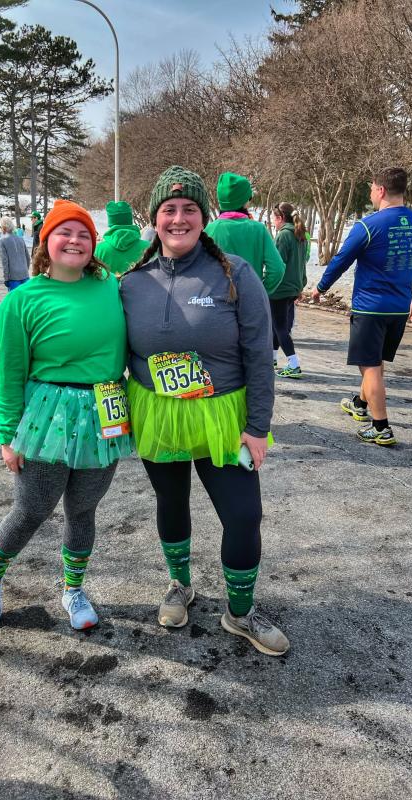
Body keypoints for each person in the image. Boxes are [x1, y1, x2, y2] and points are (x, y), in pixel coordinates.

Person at [119, 165, 289, 657]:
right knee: (171, 504)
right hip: (160, 415)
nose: (178, 218)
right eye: (168, 210)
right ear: (154, 218)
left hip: (224, 418)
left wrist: (258, 427)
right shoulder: (132, 282)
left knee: (243, 515)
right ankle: (180, 585)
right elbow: (110, 352)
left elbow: (260, 352)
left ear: (204, 216)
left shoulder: (235, 271)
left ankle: (240, 612)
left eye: (188, 209)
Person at [0, 199, 132, 631]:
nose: (75, 240)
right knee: (31, 510)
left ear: (93, 245)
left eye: (84, 234)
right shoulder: (21, 301)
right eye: (65, 232)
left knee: (83, 511)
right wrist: (7, 436)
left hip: (105, 412)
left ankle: (73, 588)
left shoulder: (113, 287)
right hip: (48, 417)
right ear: (46, 241)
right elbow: (9, 375)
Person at [312, 167, 412, 445]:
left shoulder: (368, 226)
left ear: (381, 190)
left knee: (370, 365)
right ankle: (360, 404)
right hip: (399, 308)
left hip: (370, 308)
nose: (370, 194)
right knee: (375, 362)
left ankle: (381, 427)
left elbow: (342, 259)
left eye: (371, 189)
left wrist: (320, 287)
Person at [205, 172, 285, 295]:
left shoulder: (208, 231)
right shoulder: (259, 230)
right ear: (244, 201)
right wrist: (261, 292)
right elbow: (277, 269)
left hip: (218, 304)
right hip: (251, 302)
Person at [269, 202, 308, 378]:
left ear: (280, 218)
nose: (273, 223)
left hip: (280, 288)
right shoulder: (300, 234)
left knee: (279, 327)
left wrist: (266, 284)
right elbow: (302, 265)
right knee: (278, 326)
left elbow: (277, 265)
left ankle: (294, 364)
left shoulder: (283, 235)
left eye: (273, 219)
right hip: (293, 287)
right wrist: (301, 285)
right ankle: (272, 359)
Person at [94, 200, 150, 276]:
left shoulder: (99, 250)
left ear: (110, 222)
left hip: (111, 288)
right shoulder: (148, 248)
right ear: (130, 220)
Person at [0, 216, 30, 291]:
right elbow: (28, 257)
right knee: (26, 300)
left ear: (3, 227)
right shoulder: (20, 239)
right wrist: (25, 269)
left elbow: (5, 261)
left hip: (13, 277)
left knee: (15, 301)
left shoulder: (2, 240)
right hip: (25, 275)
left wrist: (6, 278)